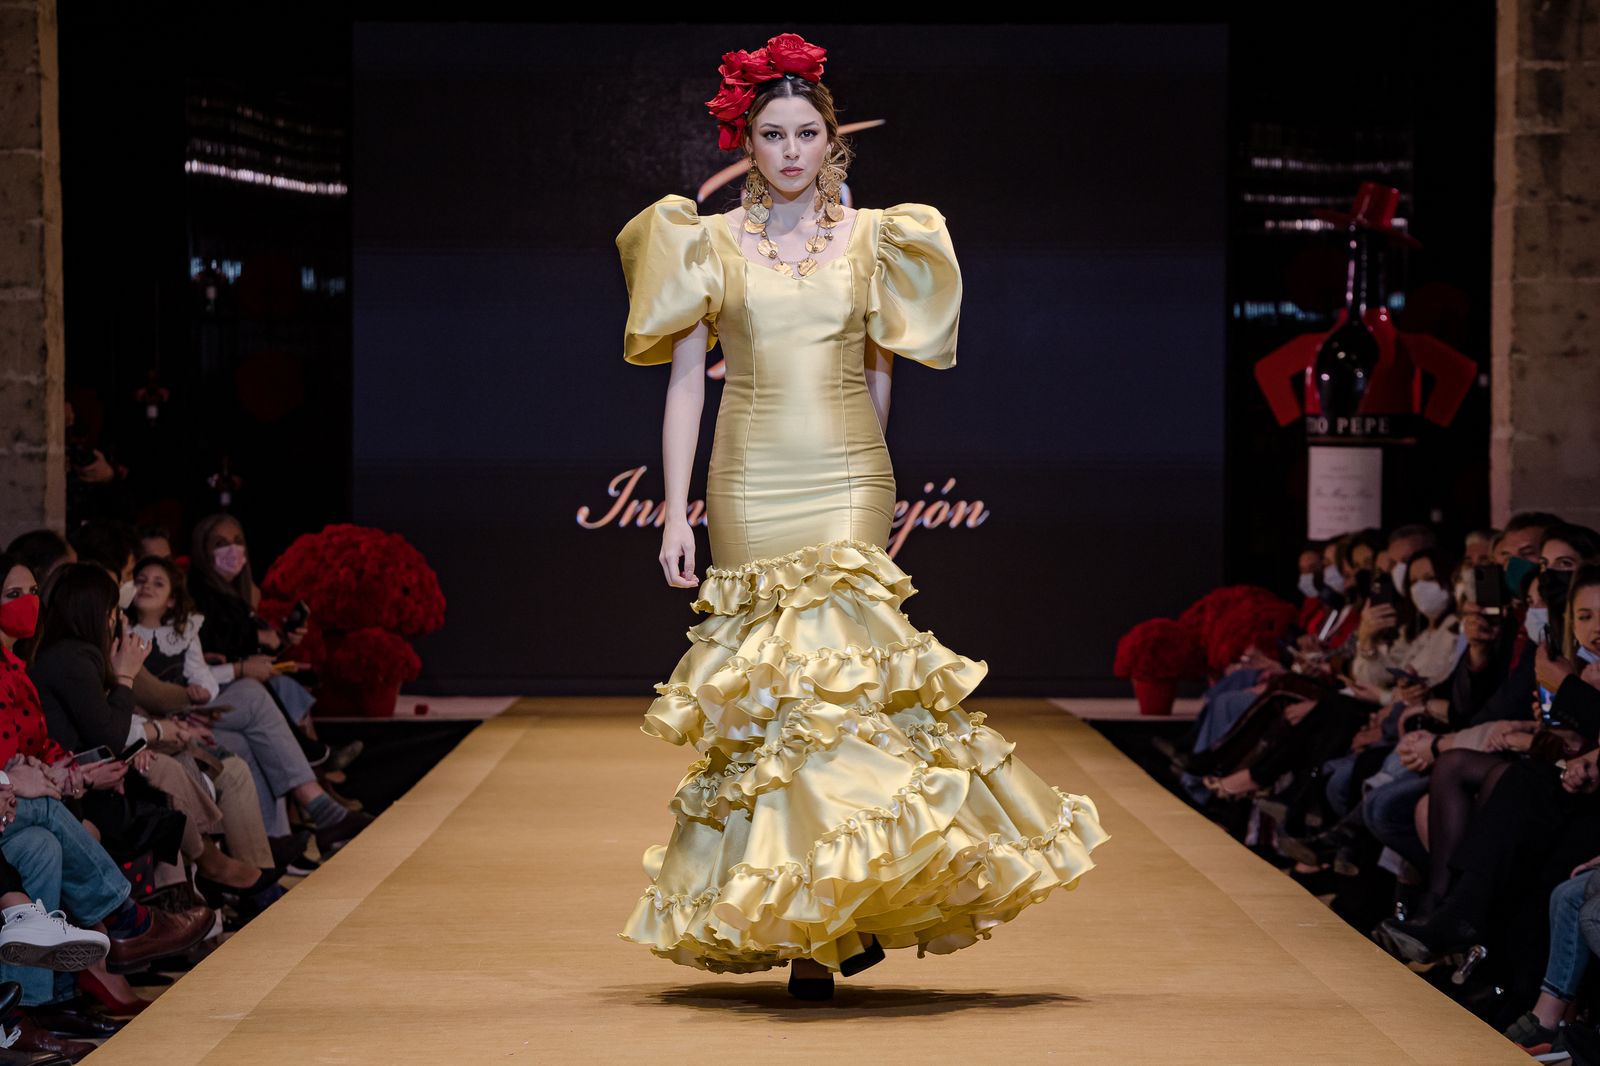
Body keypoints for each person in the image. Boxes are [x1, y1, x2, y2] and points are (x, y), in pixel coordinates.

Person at [612, 33, 1108, 1001]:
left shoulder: (884, 235)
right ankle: (810, 917)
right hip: (749, 473)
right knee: (780, 699)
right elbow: (683, 390)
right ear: (744, 143)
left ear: (832, 142)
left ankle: (837, 913)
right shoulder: (702, 242)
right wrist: (676, 510)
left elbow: (881, 375)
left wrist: (867, 483)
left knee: (844, 678)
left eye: (805, 133)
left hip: (846, 474)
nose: (789, 150)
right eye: (770, 134)